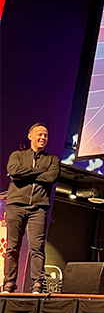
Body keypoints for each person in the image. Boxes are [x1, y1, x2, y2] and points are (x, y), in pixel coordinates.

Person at [2, 123, 60, 294]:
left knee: (37, 247)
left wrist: (24, 173)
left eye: (46, 136)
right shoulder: (17, 156)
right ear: (30, 136)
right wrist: (37, 171)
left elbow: (51, 177)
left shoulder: (52, 160)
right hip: (15, 205)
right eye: (40, 134)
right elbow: (13, 171)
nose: (43, 138)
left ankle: (37, 284)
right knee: (12, 247)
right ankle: (9, 284)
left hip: (38, 207)